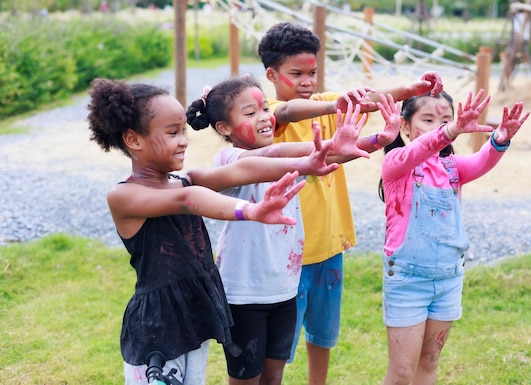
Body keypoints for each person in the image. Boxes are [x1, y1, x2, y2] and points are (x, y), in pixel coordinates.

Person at [86, 77, 343, 385]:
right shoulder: (124, 196)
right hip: (157, 325)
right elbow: (187, 201)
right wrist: (250, 211)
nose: (183, 140)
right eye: (171, 133)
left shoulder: (184, 178)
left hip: (194, 313)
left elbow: (243, 169)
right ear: (133, 139)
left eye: (183, 131)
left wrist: (311, 159)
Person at [257, 21, 443, 385]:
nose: (308, 81)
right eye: (297, 73)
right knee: (279, 346)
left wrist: (412, 88)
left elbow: (367, 98)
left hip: (329, 247)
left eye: (313, 72)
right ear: (271, 74)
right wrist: (334, 106)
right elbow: (288, 112)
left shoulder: (327, 103)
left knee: (323, 334)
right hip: (289, 253)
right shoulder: (269, 112)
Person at [186, 75, 383, 385]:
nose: (264, 117)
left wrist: (377, 140)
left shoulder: (285, 155)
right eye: (250, 113)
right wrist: (321, 150)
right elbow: (273, 157)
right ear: (224, 127)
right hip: (244, 294)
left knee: (274, 376)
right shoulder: (229, 159)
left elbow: (323, 155)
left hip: (284, 289)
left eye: (265, 108)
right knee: (246, 378)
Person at [378, 89, 529, 385]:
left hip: (447, 280)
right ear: (405, 126)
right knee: (401, 374)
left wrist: (501, 138)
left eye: (446, 119)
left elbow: (481, 162)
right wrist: (450, 130)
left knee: (429, 365)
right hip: (408, 283)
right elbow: (417, 151)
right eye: (428, 119)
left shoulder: (451, 168)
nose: (439, 126)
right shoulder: (396, 163)